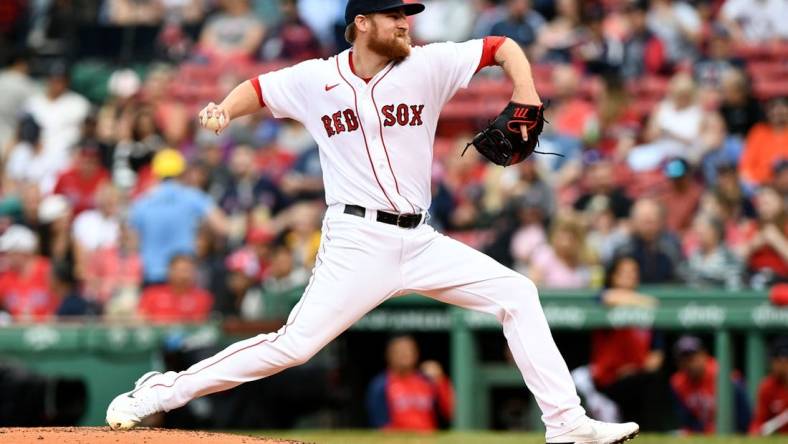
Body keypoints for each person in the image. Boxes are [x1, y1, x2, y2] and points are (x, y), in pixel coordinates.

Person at [107, 2, 639, 442]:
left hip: (421, 238)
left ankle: (566, 424)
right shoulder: (316, 78)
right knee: (293, 346)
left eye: (407, 15)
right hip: (357, 240)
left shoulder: (427, 64)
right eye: (394, 15)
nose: (406, 23)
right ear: (362, 23)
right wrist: (224, 108)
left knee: (517, 293)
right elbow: (261, 88)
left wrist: (527, 91)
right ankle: (161, 391)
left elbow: (503, 47)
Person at [129, 148, 229, 285]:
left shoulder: (142, 202)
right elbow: (222, 227)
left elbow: (132, 243)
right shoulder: (192, 196)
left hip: (151, 275)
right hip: (183, 276)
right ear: (182, 172)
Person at [366, 335, 454, 431]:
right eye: (399, 351)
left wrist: (441, 381)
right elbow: (379, 424)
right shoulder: (381, 384)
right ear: (389, 354)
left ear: (416, 354)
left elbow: (451, 412)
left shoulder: (427, 381)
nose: (404, 354)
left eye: (408, 350)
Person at [670, 335, 750, 434]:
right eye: (683, 359)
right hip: (702, 432)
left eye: (692, 358)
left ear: (704, 355)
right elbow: (687, 420)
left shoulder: (723, 376)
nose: (688, 363)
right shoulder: (677, 383)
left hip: (728, 430)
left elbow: (744, 414)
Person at [137, 254, 214, 323]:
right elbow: (140, 320)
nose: (183, 275)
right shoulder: (151, 294)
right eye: (179, 270)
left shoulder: (203, 297)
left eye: (187, 270)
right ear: (169, 271)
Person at [750, 336, 788, 436]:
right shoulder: (767, 386)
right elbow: (758, 423)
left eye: (775, 360)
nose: (772, 365)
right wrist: (756, 432)